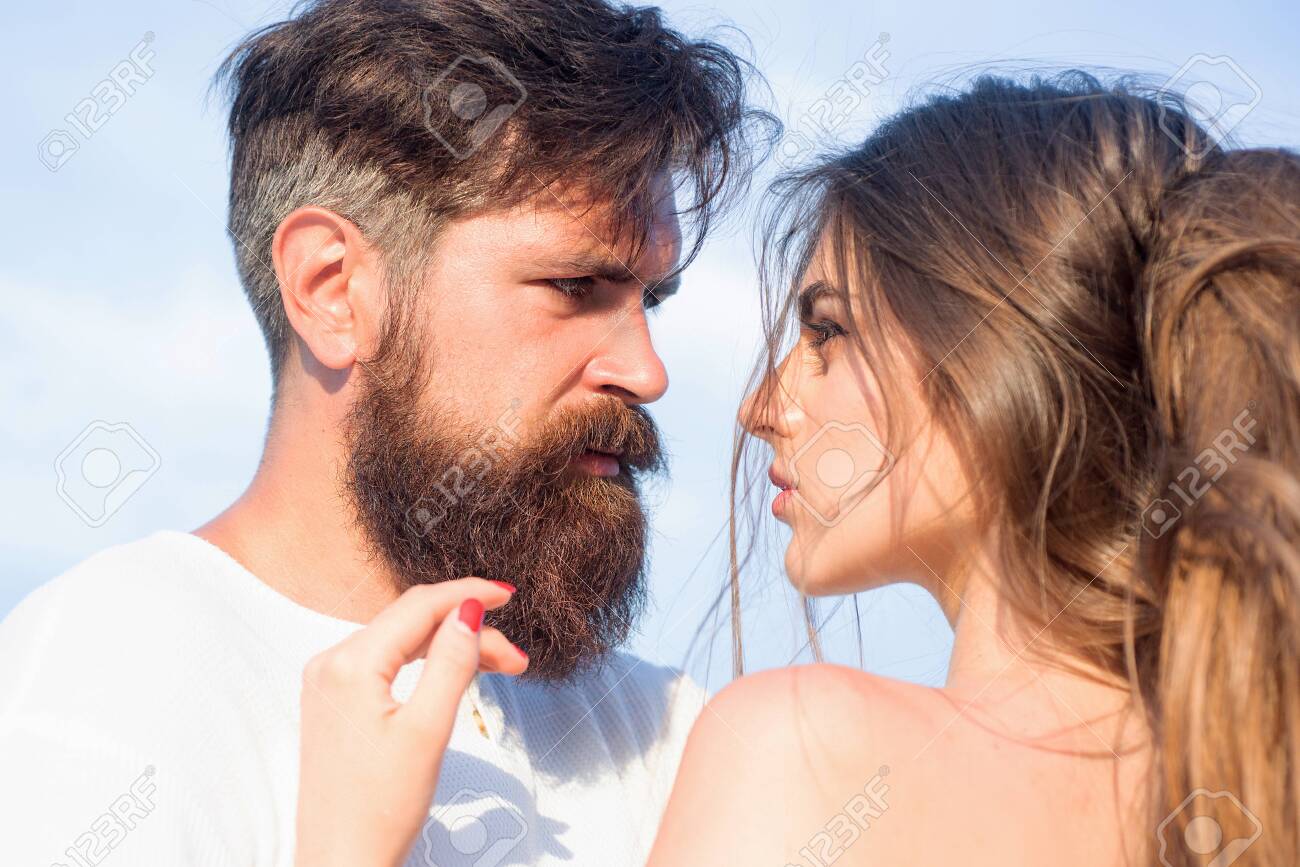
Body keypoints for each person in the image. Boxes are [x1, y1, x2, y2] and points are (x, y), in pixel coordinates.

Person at [298, 73, 1300, 866]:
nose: (761, 407)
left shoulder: (808, 747)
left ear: (1001, 358)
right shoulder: (1255, 781)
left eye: (827, 332)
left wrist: (346, 847)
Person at [0, 1, 774, 865]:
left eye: (649, 299)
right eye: (573, 286)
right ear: (333, 290)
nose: (647, 372)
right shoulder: (102, 682)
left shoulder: (668, 740)